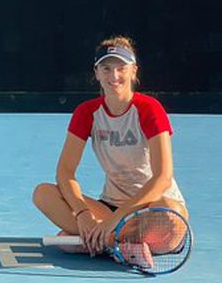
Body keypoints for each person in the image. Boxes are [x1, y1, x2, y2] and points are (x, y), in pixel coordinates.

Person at [33, 36, 188, 262]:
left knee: (170, 216)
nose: (114, 76)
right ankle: (120, 243)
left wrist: (115, 222)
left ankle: (95, 240)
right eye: (106, 68)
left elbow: (163, 177)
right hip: (109, 208)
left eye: (121, 68)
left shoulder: (150, 109)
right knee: (43, 194)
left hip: (153, 209)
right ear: (96, 73)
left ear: (133, 71)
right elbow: (65, 173)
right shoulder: (86, 113)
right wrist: (83, 213)